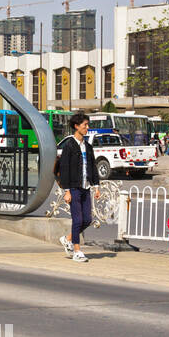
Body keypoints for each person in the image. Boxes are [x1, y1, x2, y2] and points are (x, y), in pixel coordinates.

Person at [55, 112, 101, 263]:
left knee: (87, 219)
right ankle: (77, 250)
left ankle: (68, 239)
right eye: (84, 125)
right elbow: (65, 168)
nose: (87, 128)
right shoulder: (69, 145)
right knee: (77, 219)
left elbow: (92, 167)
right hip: (74, 188)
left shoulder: (87, 146)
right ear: (76, 126)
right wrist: (66, 191)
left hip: (85, 187)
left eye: (87, 125)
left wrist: (96, 186)